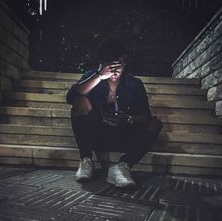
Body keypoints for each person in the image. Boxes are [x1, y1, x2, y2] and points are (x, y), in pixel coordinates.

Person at [66, 38, 163, 187]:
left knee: (155, 123)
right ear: (101, 64)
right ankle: (86, 160)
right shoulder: (92, 76)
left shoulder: (134, 83)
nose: (114, 71)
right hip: (96, 133)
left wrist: (129, 119)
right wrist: (99, 76)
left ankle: (122, 166)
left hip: (124, 134)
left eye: (118, 65)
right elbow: (72, 97)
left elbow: (145, 116)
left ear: (125, 62)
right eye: (109, 66)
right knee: (80, 100)